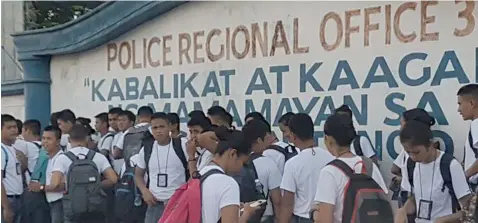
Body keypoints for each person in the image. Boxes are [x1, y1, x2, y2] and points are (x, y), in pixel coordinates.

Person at [312, 113, 389, 223]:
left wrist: (315, 214)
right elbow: (384, 203)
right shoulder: (369, 165)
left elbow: (325, 220)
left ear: (328, 139)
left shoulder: (330, 172)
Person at [395, 120, 471, 223]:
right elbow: (415, 199)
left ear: (430, 144)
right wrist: (403, 210)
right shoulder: (410, 165)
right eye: (408, 152)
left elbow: (469, 210)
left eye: (417, 152)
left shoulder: (450, 165)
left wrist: (443, 220)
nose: (413, 157)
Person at [50, 124, 118, 223]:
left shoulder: (63, 158)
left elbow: (55, 184)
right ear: (87, 139)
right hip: (95, 207)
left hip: (73, 208)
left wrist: (71, 185)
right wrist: (96, 185)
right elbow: (113, 179)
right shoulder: (98, 157)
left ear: (69, 139)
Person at [278, 113, 335, 223]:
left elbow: (287, 204)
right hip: (327, 217)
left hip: (303, 218)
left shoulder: (293, 164)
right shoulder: (331, 158)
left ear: (293, 136)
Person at [134, 112, 188, 223]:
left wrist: (185, 196)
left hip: (177, 203)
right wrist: (144, 191)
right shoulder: (146, 149)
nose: (158, 131)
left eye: (162, 127)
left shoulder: (182, 144)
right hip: (154, 204)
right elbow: (138, 175)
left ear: (169, 127)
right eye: (155, 127)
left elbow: (194, 172)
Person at [199, 128, 260, 223]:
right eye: (243, 163)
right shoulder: (228, 183)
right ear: (233, 154)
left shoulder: (201, 173)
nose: (241, 168)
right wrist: (247, 213)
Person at [390, 108, 437, 209]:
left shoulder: (410, 149)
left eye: (401, 123)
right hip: (422, 198)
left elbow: (394, 169)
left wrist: (405, 177)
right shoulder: (432, 149)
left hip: (411, 197)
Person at [243, 119, 283, 222]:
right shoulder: (268, 163)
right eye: (266, 138)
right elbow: (277, 200)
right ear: (259, 140)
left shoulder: (237, 162)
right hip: (263, 217)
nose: (269, 141)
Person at [31, 126, 65, 223]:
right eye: (43, 138)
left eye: (49, 139)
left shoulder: (61, 159)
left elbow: (63, 185)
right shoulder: (49, 158)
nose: (44, 142)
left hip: (59, 203)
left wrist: (40, 187)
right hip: (50, 202)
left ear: (58, 141)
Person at [1, 114, 24, 223]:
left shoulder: (13, 149)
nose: (14, 130)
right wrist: (6, 206)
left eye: (15, 127)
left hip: (17, 198)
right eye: (9, 128)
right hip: (7, 199)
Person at [457, 84, 478, 189]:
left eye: (460, 104)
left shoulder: (476, 124)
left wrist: (464, 176)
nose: (458, 109)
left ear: (471, 103)